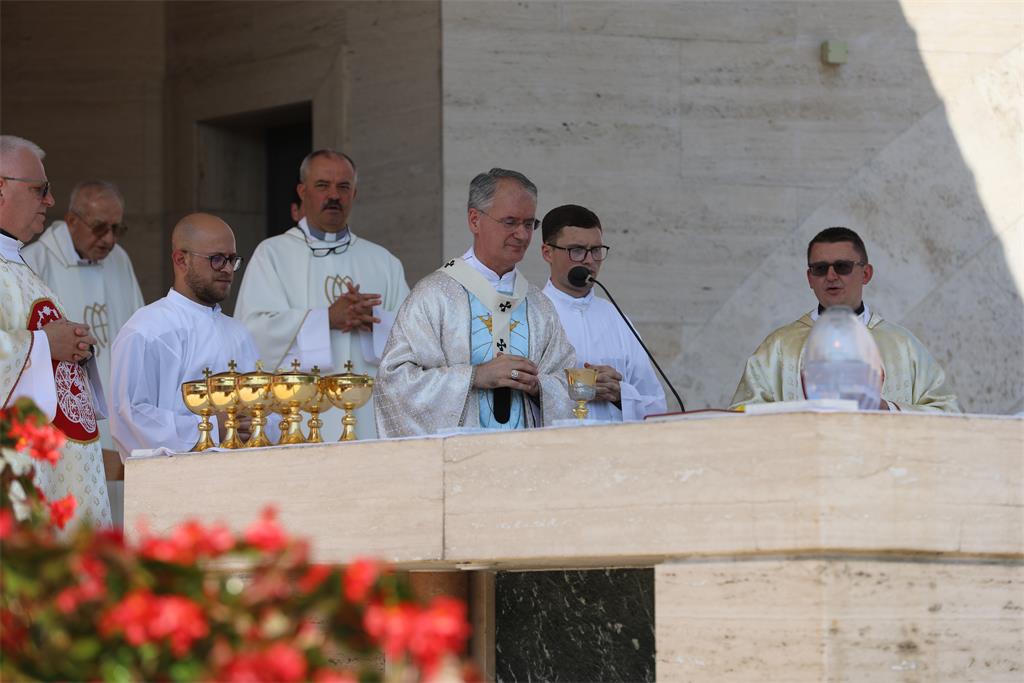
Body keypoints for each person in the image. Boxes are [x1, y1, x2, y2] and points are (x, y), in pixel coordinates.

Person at [375, 168, 576, 437]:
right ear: (474, 220)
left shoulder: (539, 306)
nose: (522, 234)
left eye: (529, 224)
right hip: (459, 455)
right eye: (510, 222)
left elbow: (566, 380)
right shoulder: (434, 295)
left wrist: (540, 387)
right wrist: (474, 376)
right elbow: (393, 383)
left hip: (526, 453)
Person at [235, 150, 409, 440]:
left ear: (354, 194)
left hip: (369, 418)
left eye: (343, 187)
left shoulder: (383, 261)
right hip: (297, 416)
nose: (334, 195)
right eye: (322, 185)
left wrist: (375, 319)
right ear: (302, 191)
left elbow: (414, 337)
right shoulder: (273, 254)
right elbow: (252, 332)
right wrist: (326, 318)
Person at [0, 134, 111, 528]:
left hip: (59, 466)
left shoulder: (18, 263)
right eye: (40, 189)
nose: (50, 200)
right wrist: (46, 344)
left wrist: (76, 349)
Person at [731, 226, 961, 412]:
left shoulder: (902, 345)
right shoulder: (779, 347)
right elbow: (741, 416)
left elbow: (948, 413)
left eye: (842, 267)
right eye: (820, 268)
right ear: (810, 278)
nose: (831, 276)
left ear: (866, 273)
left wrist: (885, 408)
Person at [23, 180, 144, 525]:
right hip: (67, 421)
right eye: (100, 227)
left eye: (117, 228)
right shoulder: (34, 263)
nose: (109, 239)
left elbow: (138, 331)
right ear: (72, 220)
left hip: (120, 409)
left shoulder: (119, 259)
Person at [110, 213, 269, 456]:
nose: (228, 269)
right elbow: (130, 414)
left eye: (232, 259)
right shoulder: (148, 328)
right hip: (176, 475)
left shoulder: (239, 333)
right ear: (181, 260)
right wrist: (211, 427)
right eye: (217, 259)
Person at [540, 204, 666, 421]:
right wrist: (572, 388)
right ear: (547, 252)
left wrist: (620, 395)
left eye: (596, 250)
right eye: (577, 250)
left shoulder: (617, 319)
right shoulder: (531, 314)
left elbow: (656, 405)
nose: (589, 260)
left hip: (614, 441)